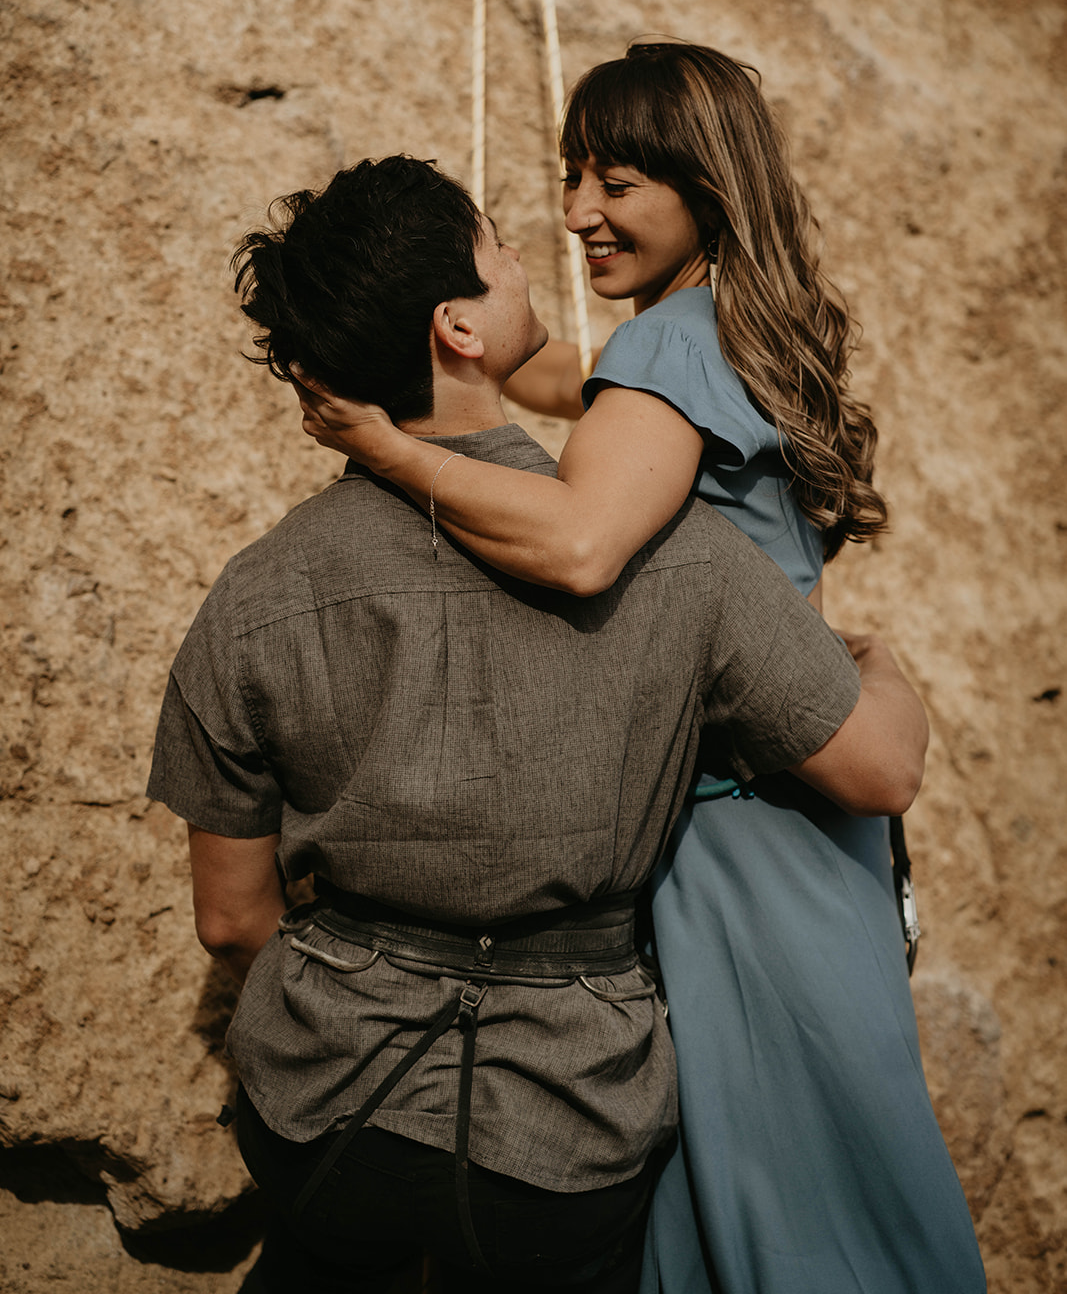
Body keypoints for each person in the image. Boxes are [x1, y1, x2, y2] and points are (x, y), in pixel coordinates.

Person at [149, 153, 928, 1294]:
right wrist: (888, 666)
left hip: (322, 1114)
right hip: (565, 1140)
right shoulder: (684, 559)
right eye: (498, 243)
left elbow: (231, 922)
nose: (530, 256)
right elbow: (879, 767)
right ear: (458, 327)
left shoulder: (258, 591)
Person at [296, 46, 987, 1294]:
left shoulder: (669, 354)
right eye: (570, 177)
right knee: (806, 1184)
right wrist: (467, 345)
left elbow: (574, 543)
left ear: (703, 185)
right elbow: (568, 379)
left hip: (740, 844)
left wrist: (381, 444)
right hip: (805, 832)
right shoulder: (717, 328)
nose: (574, 212)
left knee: (778, 1205)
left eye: (614, 179)